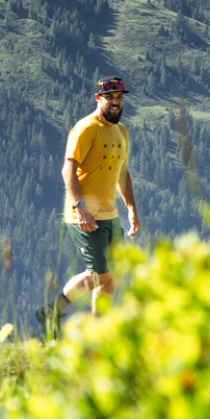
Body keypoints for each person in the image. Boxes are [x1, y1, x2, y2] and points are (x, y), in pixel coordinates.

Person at [43, 77, 140, 334]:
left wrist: (131, 208)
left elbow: (122, 173)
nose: (116, 102)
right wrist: (81, 207)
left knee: (113, 273)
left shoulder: (121, 132)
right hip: (84, 214)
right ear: (99, 99)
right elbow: (68, 169)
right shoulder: (86, 129)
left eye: (119, 97)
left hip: (109, 213)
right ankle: (51, 311)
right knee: (98, 273)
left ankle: (99, 332)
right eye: (110, 98)